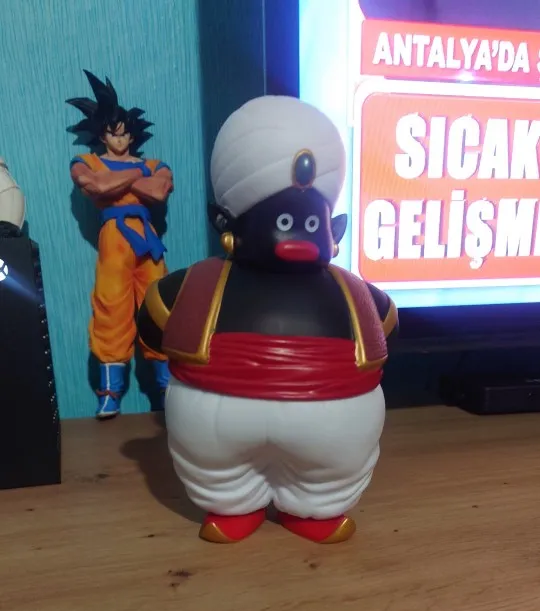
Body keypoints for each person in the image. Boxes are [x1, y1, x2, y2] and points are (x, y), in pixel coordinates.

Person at [138, 96, 397, 544]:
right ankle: (232, 505)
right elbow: (150, 326)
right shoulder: (196, 283)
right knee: (217, 475)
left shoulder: (357, 293)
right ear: (224, 223)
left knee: (330, 478)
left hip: (334, 420)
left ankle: (316, 509)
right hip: (214, 414)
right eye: (281, 219)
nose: (296, 235)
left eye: (311, 224)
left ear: (334, 229)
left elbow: (388, 331)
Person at [67, 71, 173, 418]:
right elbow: (95, 186)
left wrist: (118, 179)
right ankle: (110, 392)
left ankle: (168, 388)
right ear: (102, 134)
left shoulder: (155, 165)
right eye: (114, 132)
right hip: (114, 240)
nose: (121, 138)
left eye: (125, 132)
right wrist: (137, 174)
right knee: (110, 309)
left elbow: (158, 191)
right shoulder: (88, 162)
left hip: (148, 242)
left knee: (159, 310)